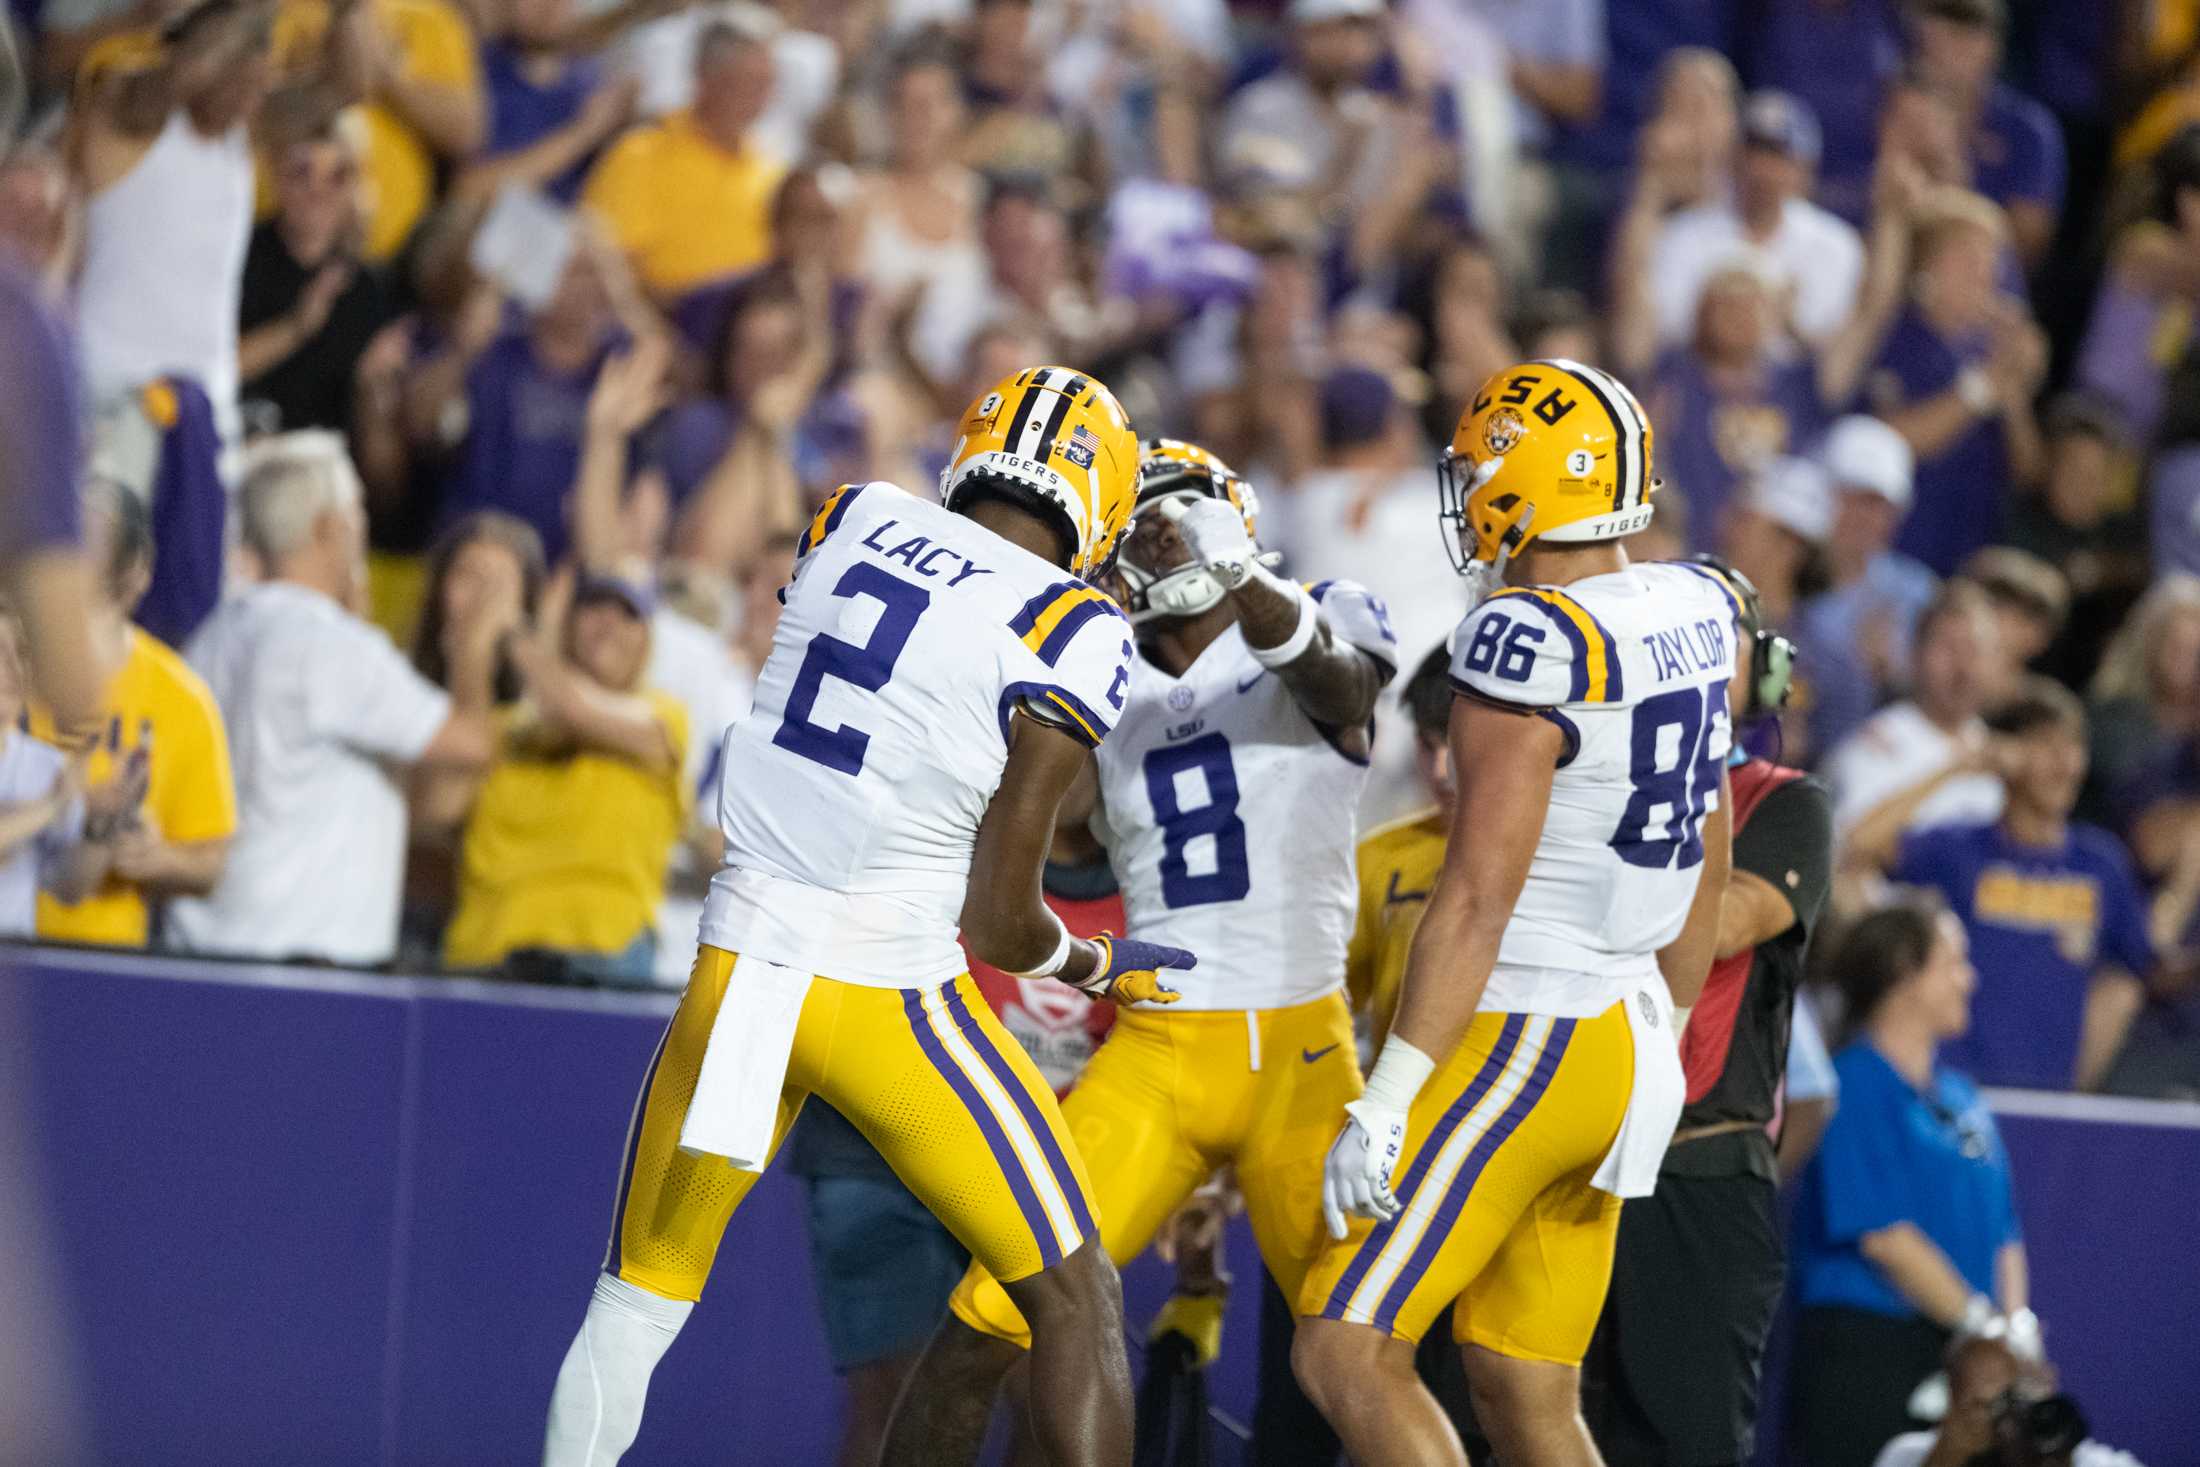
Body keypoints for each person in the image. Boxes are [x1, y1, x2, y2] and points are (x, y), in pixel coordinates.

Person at [541, 367, 1191, 1467]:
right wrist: (1091, 959)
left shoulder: (853, 514)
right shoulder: (1073, 625)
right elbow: (1000, 923)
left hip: (740, 969)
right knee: (1076, 1295)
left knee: (633, 1309)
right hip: (890, 992)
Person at [892, 437, 1396, 1461]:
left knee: (1360, 1350)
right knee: (991, 1314)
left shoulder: (1311, 606)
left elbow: (1342, 691)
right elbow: (1034, 821)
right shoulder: (1100, 667)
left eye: (1170, 526)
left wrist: (1240, 577)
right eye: (1137, 531)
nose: (1153, 549)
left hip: (1302, 1046)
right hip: (1159, 1048)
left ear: (1224, 520)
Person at [1293, 359, 1736, 1467]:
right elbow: (1709, 844)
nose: (1466, 492)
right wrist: (1669, 1028)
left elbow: (1476, 894)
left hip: (1530, 1032)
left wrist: (1388, 1096)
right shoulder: (1693, 605)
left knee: (1343, 1346)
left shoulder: (1525, 638)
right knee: (1525, 1390)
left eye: (1482, 468)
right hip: (1624, 1035)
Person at [1586, 559, 1835, 1467]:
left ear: (1760, 665)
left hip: (1697, 1168)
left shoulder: (1789, 801)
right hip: (1568, 1153)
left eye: (1713, 628)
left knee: (1680, 1447)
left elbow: (1721, 922)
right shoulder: (1583, 778)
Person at [167, 433, 498, 966]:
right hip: (304, 962)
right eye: (358, 513)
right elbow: (470, 743)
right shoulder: (330, 646)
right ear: (329, 527)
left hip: (208, 943)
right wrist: (476, 644)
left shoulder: (214, 637)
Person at [1791, 895, 2031, 1467]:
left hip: (1965, 1361)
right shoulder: (1848, 1085)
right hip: (1869, 1352)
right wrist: (1982, 1324)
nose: (1970, 980)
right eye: (1954, 962)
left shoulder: (1962, 1096)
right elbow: (1881, 1235)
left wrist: (2014, 1328)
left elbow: (2005, 1230)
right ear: (1906, 975)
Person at [71, 0, 365, 443]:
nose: (258, 90)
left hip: (204, 411)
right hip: (107, 396)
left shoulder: (242, 132)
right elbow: (182, 73)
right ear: (202, 57)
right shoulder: (123, 106)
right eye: (245, 73)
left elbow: (351, 84)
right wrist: (253, 13)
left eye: (262, 75)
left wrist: (348, 10)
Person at [1878, 680, 2153, 1092]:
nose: (2065, 764)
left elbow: (2132, 975)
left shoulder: (2101, 863)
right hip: (1956, 1092)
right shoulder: (1962, 848)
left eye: (2074, 746)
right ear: (2009, 755)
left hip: (2054, 1100)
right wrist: (1958, 768)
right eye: (2046, 745)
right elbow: (1861, 847)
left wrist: (2081, 1082)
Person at [441, 570, 687, 983]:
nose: (607, 621)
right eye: (592, 607)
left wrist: (516, 639)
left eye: (628, 613)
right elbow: (439, 808)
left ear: (647, 642)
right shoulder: (501, 729)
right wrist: (472, 652)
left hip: (601, 957)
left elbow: (573, 711)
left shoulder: (663, 720)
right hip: (486, 953)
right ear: (567, 627)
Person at [29, 480, 235, 949]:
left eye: (88, 530)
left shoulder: (182, 697)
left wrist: (157, 858)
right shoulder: (9, 667)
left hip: (108, 962)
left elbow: (212, 859)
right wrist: (64, 811)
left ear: (138, 569)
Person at [1864, 189, 2046, 577]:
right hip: (1894, 553)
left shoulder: (1985, 349)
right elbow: (1893, 439)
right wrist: (1981, 388)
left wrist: (2013, 389)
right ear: (1925, 265)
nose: (1984, 272)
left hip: (1966, 554)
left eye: (1991, 259)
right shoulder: (1893, 336)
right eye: (1967, 256)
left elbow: (2028, 470)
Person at [581, 16, 786, 301]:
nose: (761, 98)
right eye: (747, 82)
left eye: (766, 83)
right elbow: (608, 265)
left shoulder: (771, 166)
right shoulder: (641, 153)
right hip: (666, 320)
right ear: (705, 78)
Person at [1642, 90, 1864, 350]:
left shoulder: (1835, 244)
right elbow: (1667, 329)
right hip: (1700, 382)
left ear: (1804, 169)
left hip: (1796, 387)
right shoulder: (1684, 233)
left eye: (1778, 157)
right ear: (1733, 160)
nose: (1762, 170)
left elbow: (1834, 351)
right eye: (1753, 153)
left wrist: (1788, 322)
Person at [1824, 580, 2009, 853]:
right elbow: (1847, 849)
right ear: (1915, 655)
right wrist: (1950, 771)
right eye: (1948, 647)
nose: (1963, 666)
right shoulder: (1877, 743)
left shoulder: (1998, 750)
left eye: (1974, 649)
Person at [237, 122, 397, 435]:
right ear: (277, 179)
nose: (318, 192)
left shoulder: (370, 287)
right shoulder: (238, 258)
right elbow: (213, 371)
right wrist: (295, 329)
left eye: (338, 177)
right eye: (301, 173)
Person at [1796, 415, 1939, 761]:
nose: (1869, 519)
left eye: (1882, 506)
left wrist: (1895, 675)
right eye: (1856, 499)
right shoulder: (1789, 581)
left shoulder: (1918, 592)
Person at [0, 609, 138, 937]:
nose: (12, 669)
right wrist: (51, 806)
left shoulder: (48, 766)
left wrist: (99, 829)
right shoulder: (55, 790)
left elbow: (67, 889)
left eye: (20, 653)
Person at [1904, 0, 2066, 267]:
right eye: (1945, 32)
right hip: (1900, 269)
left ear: (1995, 45)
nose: (1956, 49)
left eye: (1970, 33)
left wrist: (1955, 195)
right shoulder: (1895, 109)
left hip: (1988, 277)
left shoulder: (2029, 128)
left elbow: (2027, 244)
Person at [1873, 1334, 2149, 1467]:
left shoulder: (2081, 1457)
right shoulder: (1908, 1454)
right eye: (1983, 1405)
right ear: (1953, 1407)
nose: (2002, 1419)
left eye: (2012, 1401)